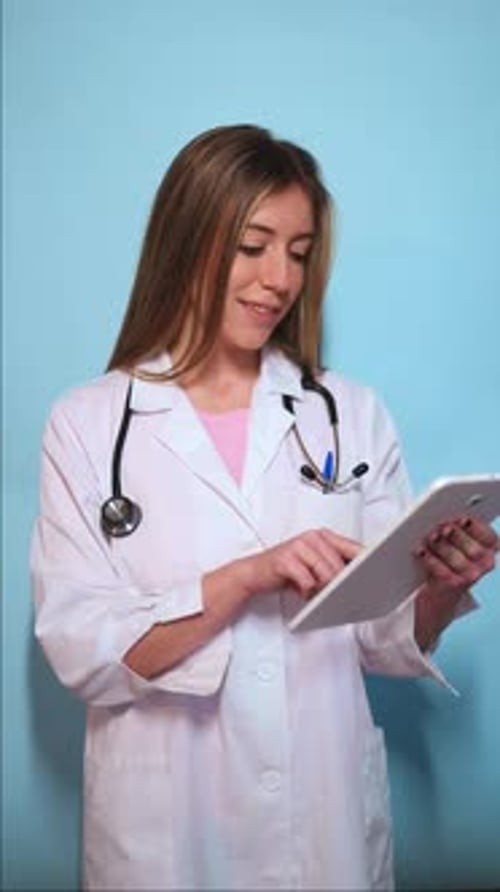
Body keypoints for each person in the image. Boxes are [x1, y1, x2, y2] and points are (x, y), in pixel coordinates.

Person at [31, 124, 498, 892]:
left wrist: (441, 587)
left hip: (322, 826)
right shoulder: (88, 424)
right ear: (187, 239)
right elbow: (85, 649)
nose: (280, 279)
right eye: (254, 246)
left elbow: (381, 640)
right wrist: (246, 576)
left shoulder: (348, 412)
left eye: (300, 252)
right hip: (167, 835)